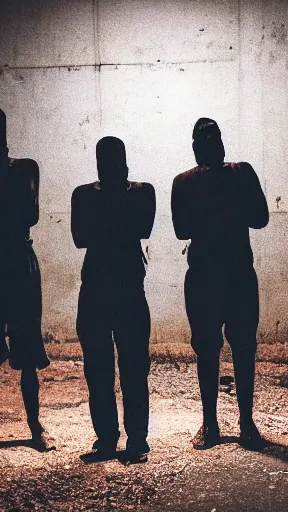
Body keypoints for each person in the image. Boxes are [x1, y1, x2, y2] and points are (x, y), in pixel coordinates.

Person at [171, 118, 269, 450]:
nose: (213, 146)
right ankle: (214, 422)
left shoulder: (214, 178)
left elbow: (261, 217)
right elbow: (181, 229)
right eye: (208, 140)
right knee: (210, 349)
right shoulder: (200, 180)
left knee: (239, 347)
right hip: (212, 274)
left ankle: (242, 421)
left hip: (228, 273)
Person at [71, 136, 156, 463]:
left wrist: (103, 221)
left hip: (104, 288)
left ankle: (122, 438)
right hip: (117, 289)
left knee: (121, 368)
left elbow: (87, 235)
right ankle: (125, 438)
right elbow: (84, 237)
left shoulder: (87, 197)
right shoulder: (139, 194)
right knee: (107, 369)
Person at [0, 109, 54, 451]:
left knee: (28, 345)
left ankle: (35, 425)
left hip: (18, 261)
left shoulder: (24, 169)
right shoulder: (22, 172)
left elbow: (29, 215)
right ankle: (36, 428)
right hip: (17, 257)